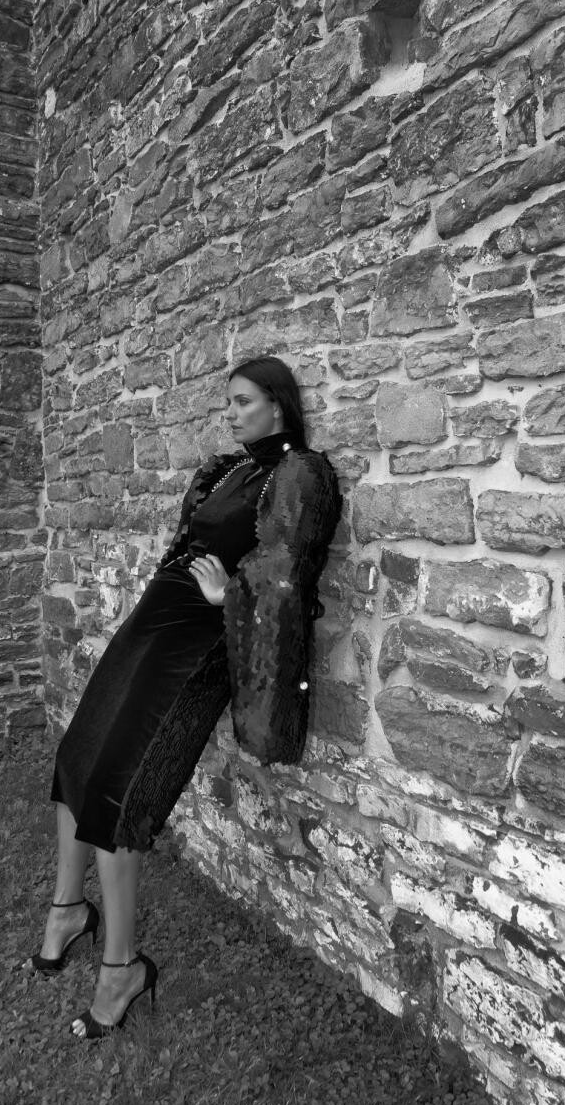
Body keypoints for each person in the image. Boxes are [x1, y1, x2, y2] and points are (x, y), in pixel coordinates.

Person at [26, 355, 342, 1041]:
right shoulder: (227, 471)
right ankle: (68, 911)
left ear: (278, 405)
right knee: (76, 757)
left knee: (119, 790)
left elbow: (291, 573)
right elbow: (188, 545)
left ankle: (121, 969)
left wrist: (229, 596)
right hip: (153, 624)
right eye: (229, 401)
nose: (232, 413)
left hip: (199, 644)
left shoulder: (301, 474)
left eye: (243, 401)